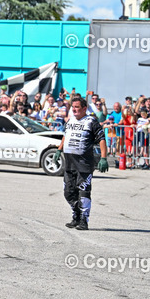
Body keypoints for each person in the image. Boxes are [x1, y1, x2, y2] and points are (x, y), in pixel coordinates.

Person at [58, 96, 108, 230]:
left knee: (83, 193)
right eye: (73, 107)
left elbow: (102, 139)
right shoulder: (70, 120)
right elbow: (66, 135)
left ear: (84, 108)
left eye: (77, 107)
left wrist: (103, 158)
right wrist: (59, 149)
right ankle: (77, 214)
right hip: (69, 163)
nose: (74, 109)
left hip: (84, 164)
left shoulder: (91, 121)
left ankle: (83, 221)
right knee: (68, 192)